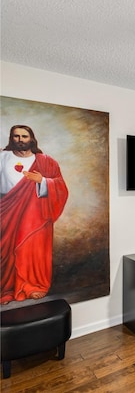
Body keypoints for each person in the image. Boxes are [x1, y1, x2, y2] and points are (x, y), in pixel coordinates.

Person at [0, 125, 68, 304]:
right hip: (7, 211)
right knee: (6, 250)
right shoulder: (2, 157)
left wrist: (42, 181)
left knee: (31, 249)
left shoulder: (46, 161)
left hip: (36, 216)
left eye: (24, 136)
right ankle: (7, 289)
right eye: (16, 136)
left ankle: (32, 285)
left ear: (31, 138)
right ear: (11, 138)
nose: (20, 139)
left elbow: (61, 186)